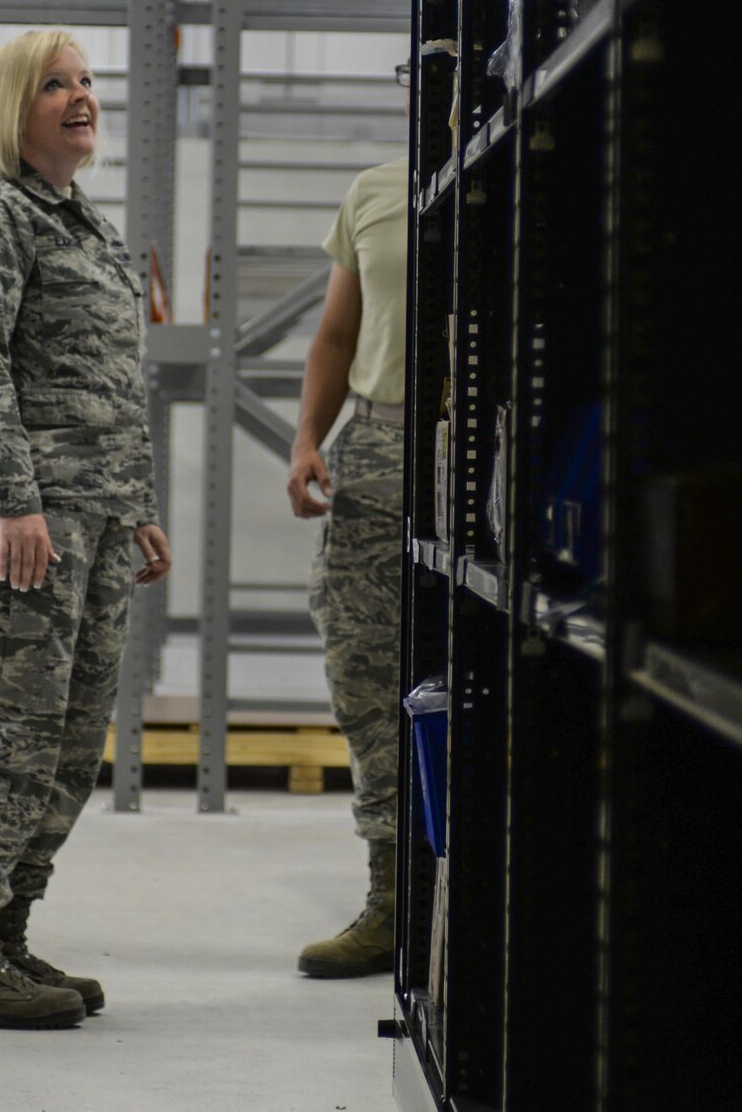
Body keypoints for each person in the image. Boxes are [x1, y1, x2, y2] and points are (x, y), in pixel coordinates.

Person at [0, 29, 173, 1028]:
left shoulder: (82, 222)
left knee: (72, 740)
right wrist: (14, 499)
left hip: (93, 524)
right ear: (17, 105)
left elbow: (107, 380)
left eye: (87, 82)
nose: (82, 98)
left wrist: (136, 507)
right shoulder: (2, 214)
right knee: (10, 736)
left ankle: (8, 931)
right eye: (57, 85)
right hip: (30, 533)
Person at [285, 59, 414, 978]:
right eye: (418, 71)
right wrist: (306, 441)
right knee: (366, 672)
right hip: (379, 452)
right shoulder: (373, 190)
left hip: (494, 455)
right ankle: (394, 897)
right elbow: (336, 333)